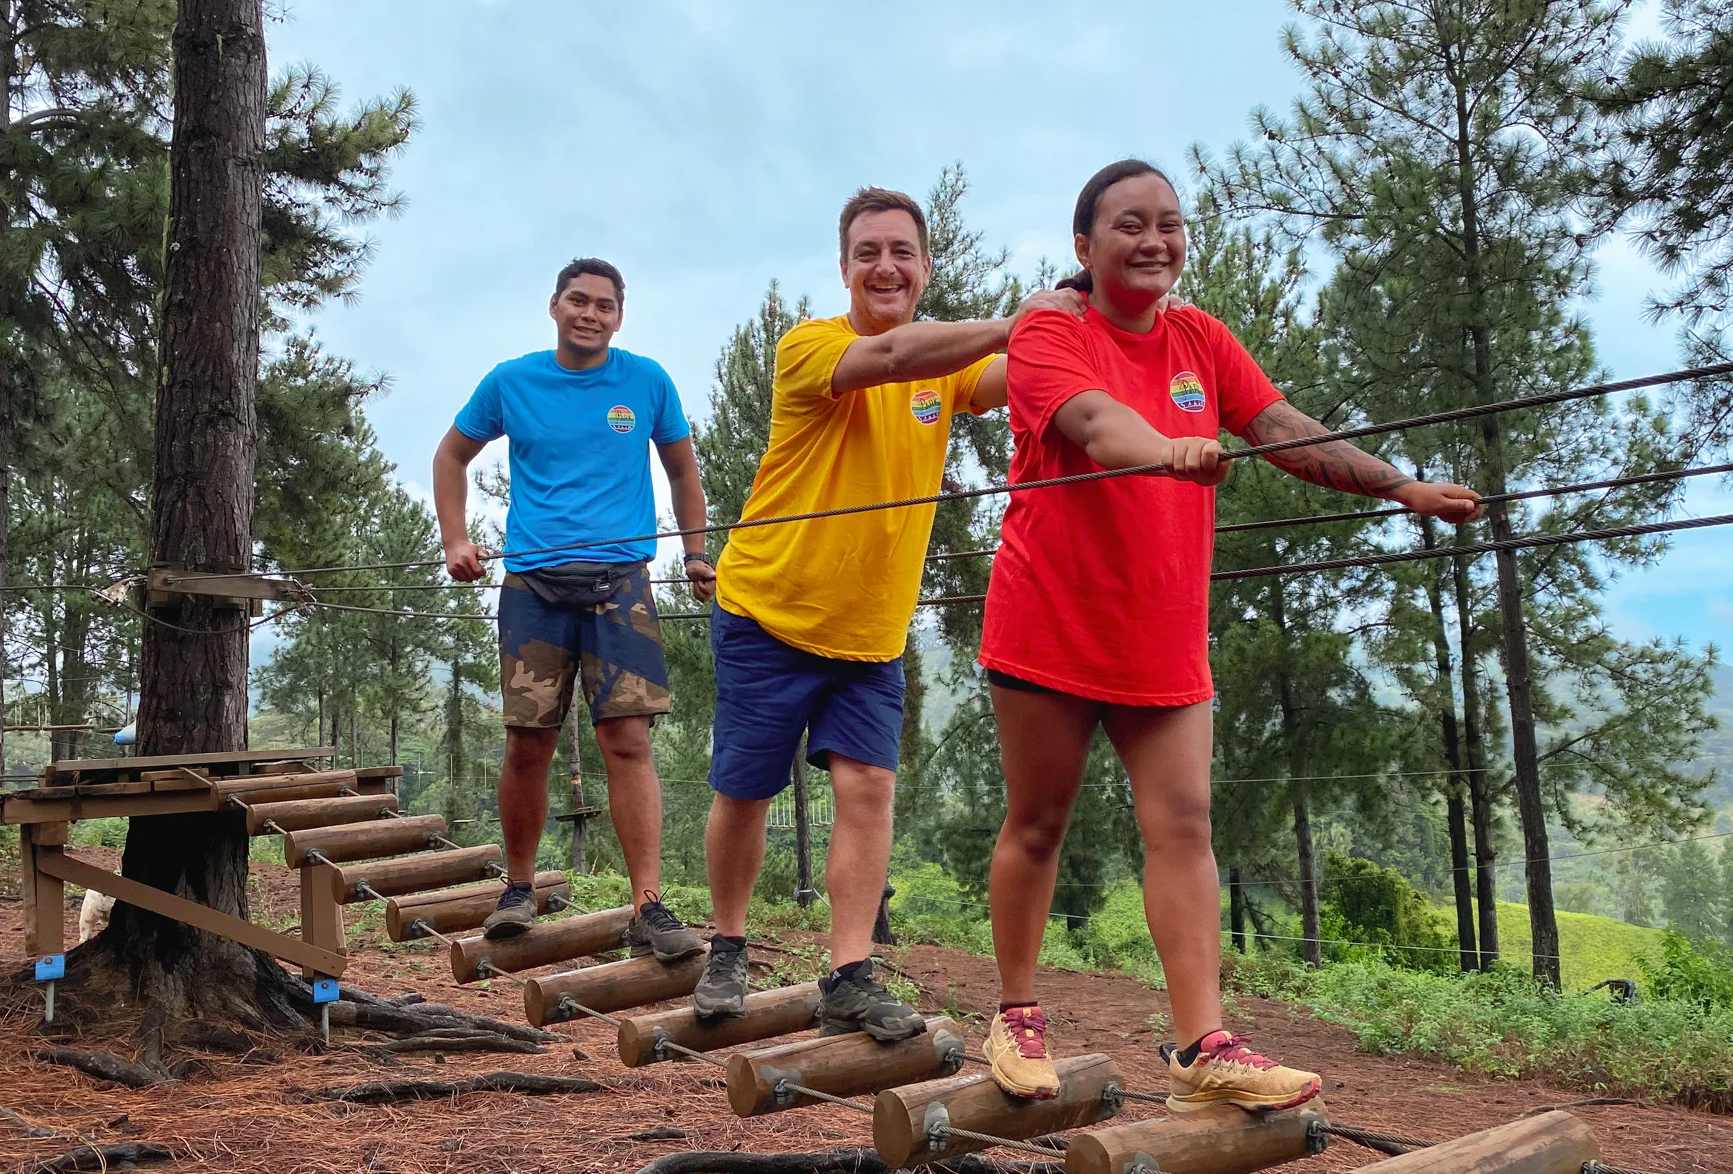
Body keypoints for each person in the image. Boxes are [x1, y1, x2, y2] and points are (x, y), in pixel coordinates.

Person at [976, 161, 1482, 1111]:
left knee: (1184, 828)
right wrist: (1166, 450)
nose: (1154, 239)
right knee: (1039, 822)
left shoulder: (1201, 337)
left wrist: (1397, 485)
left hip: (1162, 632)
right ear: (1084, 244)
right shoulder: (1050, 325)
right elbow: (1092, 421)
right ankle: (1014, 1013)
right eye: (1130, 224)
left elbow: (1282, 425)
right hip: (1050, 620)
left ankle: (1202, 1045)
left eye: (1169, 222)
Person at [691, 188, 1082, 1039]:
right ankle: (725, 946)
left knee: (868, 790)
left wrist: (1090, 316)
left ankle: (848, 972)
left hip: (870, 635)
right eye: (868, 252)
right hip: (768, 611)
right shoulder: (810, 346)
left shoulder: (948, 367)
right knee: (746, 789)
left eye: (901, 252)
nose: (885, 266)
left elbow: (1022, 372)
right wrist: (1017, 319)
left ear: (924, 267)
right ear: (844, 268)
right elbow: (896, 355)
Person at [434, 257, 714, 961]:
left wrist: (696, 552)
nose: (591, 314)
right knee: (529, 742)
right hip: (532, 585)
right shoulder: (512, 381)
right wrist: (456, 539)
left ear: (620, 315)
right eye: (579, 301)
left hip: (623, 583)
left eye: (605, 305)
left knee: (629, 740)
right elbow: (451, 455)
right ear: (555, 306)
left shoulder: (646, 381)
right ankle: (518, 890)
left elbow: (683, 469)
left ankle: (648, 903)